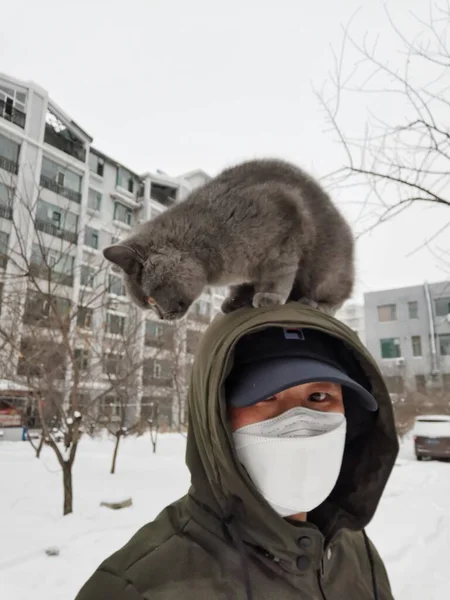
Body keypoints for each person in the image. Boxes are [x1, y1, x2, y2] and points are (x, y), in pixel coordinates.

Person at [76, 303, 398, 600]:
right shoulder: (134, 589)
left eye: (318, 398)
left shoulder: (354, 553)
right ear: (217, 420)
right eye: (268, 397)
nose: (299, 421)